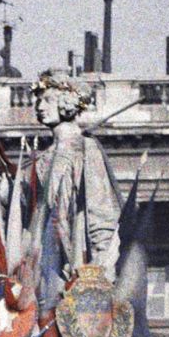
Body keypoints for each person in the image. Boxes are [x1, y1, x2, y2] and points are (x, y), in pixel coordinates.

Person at [30, 70, 121, 307]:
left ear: (66, 102)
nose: (40, 106)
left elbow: (100, 211)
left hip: (76, 254)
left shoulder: (85, 149)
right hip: (47, 254)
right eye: (39, 100)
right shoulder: (42, 159)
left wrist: (102, 265)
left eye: (47, 99)